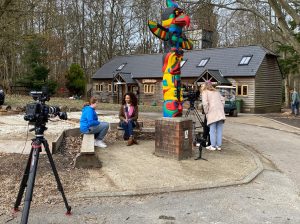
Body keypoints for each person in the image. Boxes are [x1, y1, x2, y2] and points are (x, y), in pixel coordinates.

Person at [201, 81, 226, 151]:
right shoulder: (217, 92)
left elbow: (205, 104)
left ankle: (213, 146)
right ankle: (218, 146)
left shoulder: (205, 92)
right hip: (220, 113)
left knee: (212, 130)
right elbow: (223, 100)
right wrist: (221, 108)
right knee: (219, 130)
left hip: (212, 112)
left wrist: (206, 112)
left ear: (205, 86)